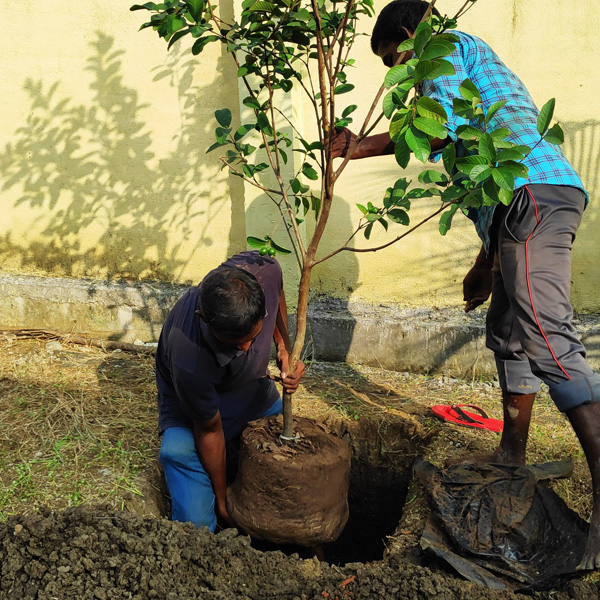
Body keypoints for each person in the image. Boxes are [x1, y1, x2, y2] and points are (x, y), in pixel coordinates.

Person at [333, 0, 600, 570]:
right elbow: (484, 166)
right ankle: (511, 454)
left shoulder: (443, 50)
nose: (397, 75)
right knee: (507, 328)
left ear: (410, 36)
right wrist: (485, 265)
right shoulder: (473, 61)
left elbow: (441, 130)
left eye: (393, 60)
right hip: (523, 203)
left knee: (549, 338)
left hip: (534, 196)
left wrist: (359, 147)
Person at [156, 250, 305, 532]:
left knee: (284, 452)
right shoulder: (189, 357)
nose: (248, 349)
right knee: (195, 527)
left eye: (252, 338)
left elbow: (278, 294)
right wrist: (223, 501)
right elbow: (209, 430)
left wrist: (284, 348)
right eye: (236, 344)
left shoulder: (264, 270)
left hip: (250, 389)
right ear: (204, 319)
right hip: (192, 410)